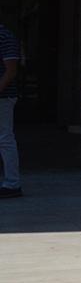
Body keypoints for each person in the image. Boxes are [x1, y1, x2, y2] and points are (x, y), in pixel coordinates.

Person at [0, 21, 20, 199]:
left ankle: (12, 182)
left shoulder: (5, 36)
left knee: (4, 138)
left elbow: (11, 70)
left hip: (3, 97)